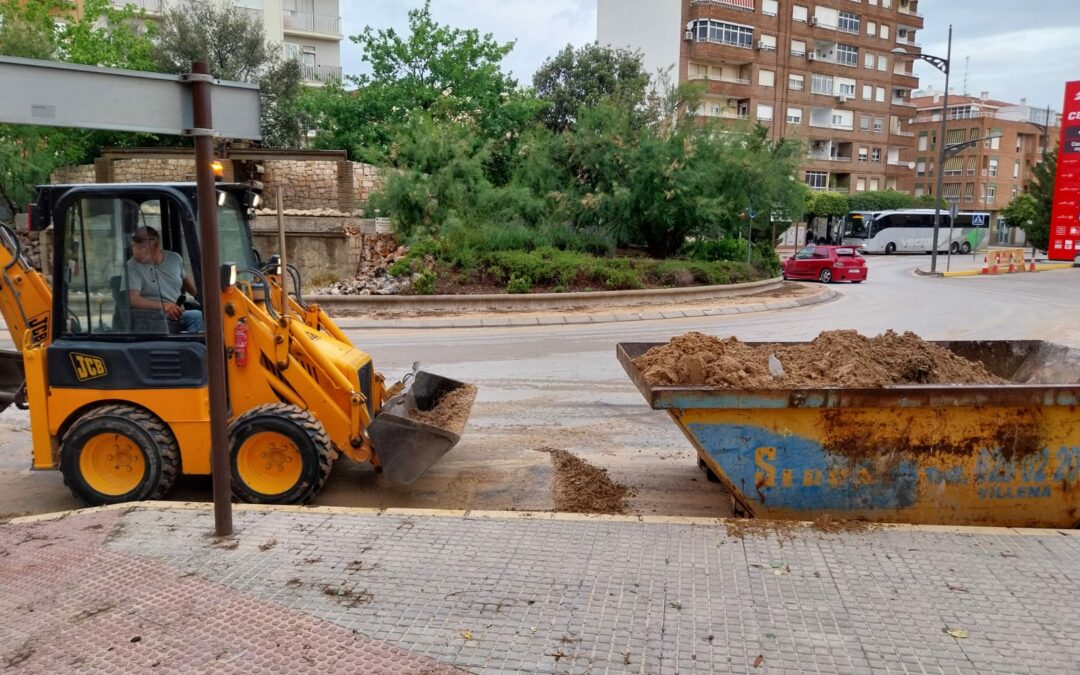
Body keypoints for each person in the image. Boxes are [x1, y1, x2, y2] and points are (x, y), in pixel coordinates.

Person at [122, 226, 203, 333]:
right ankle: (200, 347)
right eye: (133, 246)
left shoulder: (174, 258)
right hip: (152, 317)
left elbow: (186, 282)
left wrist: (201, 298)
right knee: (197, 316)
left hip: (177, 313)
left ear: (155, 245)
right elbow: (132, 299)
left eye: (141, 247)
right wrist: (164, 306)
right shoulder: (132, 266)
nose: (135, 252)